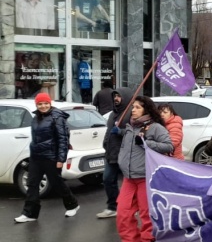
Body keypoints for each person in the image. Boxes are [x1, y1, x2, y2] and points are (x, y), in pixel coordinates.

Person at [116, 96, 173, 242]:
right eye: (133, 107)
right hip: (129, 177)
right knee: (123, 212)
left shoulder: (155, 128)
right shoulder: (130, 127)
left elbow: (169, 146)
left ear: (146, 110)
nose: (133, 110)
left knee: (146, 214)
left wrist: (147, 143)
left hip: (145, 177)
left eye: (137, 107)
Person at [14, 93, 80, 223]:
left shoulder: (57, 118)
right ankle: (30, 214)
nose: (43, 106)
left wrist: (61, 160)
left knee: (57, 184)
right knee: (32, 184)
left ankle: (72, 204)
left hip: (51, 157)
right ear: (36, 105)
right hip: (36, 157)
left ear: (50, 103)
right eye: (40, 104)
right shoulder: (36, 117)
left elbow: (63, 140)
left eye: (45, 103)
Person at [96, 88, 132, 219]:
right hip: (111, 153)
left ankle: (132, 207)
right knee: (107, 179)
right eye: (114, 96)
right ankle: (113, 207)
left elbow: (134, 133)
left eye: (119, 96)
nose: (116, 98)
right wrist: (105, 143)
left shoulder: (131, 113)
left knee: (130, 183)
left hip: (125, 154)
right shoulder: (113, 114)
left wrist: (121, 131)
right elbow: (108, 130)